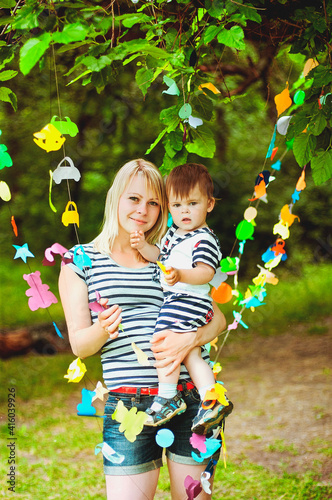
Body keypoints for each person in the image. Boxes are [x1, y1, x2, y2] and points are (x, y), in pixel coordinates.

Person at [58, 159, 226, 500]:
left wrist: (188, 341)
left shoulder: (168, 255)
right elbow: (80, 345)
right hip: (129, 408)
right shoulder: (80, 260)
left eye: (154, 203)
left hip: (191, 399)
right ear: (115, 198)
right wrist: (104, 329)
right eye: (134, 199)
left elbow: (218, 320)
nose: (143, 210)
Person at [130, 163, 233, 435]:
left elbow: (206, 272)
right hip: (179, 299)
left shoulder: (204, 239)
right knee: (190, 354)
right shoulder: (174, 235)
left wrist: (180, 275)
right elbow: (159, 257)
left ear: (209, 204)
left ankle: (167, 396)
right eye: (176, 205)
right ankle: (211, 397)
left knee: (161, 340)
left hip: (189, 300)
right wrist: (142, 247)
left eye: (192, 203)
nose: (184, 211)